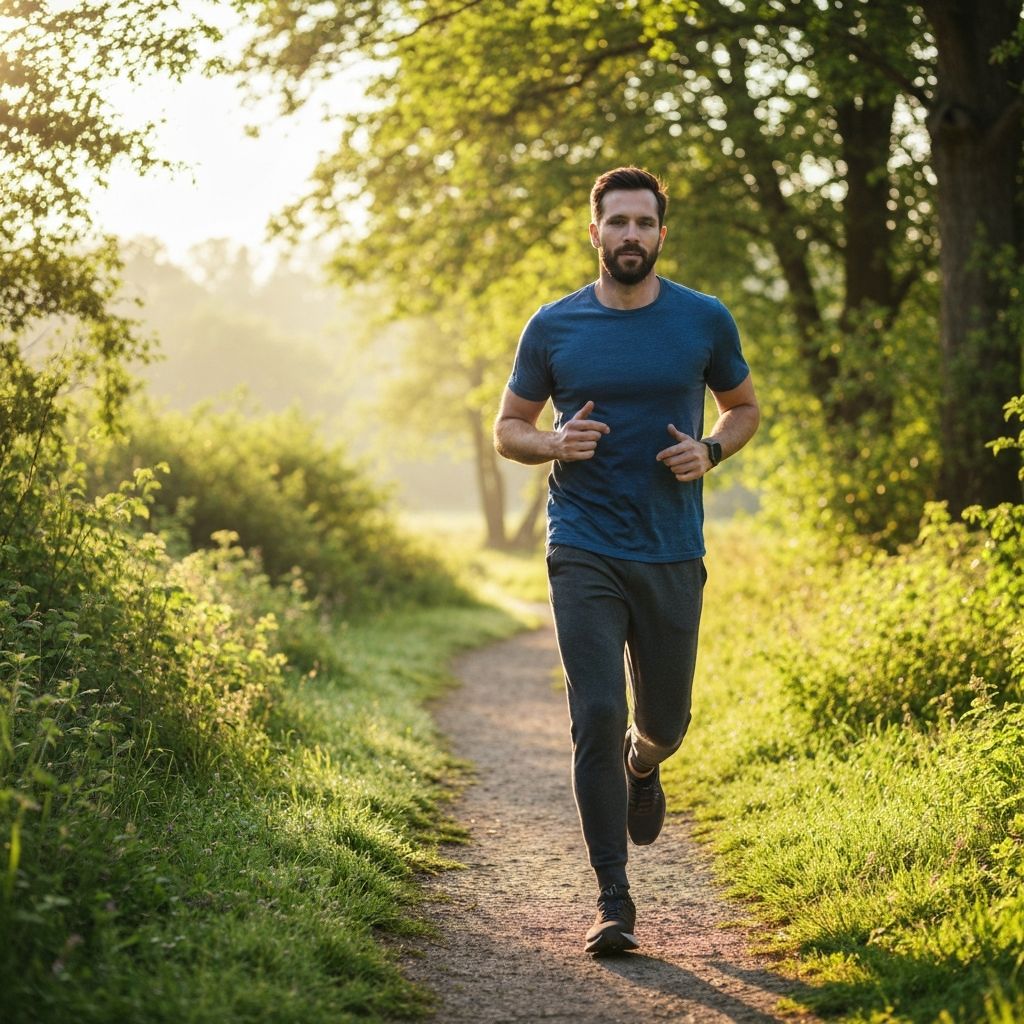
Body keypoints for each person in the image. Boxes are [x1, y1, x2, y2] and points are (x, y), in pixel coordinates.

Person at [493, 166, 759, 955]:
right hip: (583, 542)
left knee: (662, 722)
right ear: (595, 232)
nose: (631, 235)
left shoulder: (703, 320)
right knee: (597, 711)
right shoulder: (554, 326)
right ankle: (614, 898)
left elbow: (743, 410)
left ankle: (645, 764)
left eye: (644, 223)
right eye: (618, 223)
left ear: (660, 235)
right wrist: (552, 443)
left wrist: (710, 450)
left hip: (673, 547)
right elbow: (509, 426)